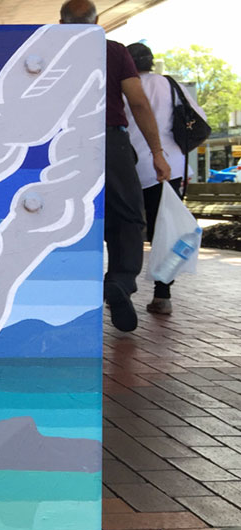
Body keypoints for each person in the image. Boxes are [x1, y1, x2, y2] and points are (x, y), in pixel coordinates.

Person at [60, 0, 170, 332]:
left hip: (64, 143)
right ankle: (120, 281)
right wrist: (157, 152)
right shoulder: (114, 51)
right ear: (98, 23)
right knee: (128, 216)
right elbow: (138, 102)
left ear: (61, 24)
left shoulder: (50, 50)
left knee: (69, 216)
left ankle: (70, 292)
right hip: (110, 141)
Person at [124, 42, 208, 315]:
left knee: (126, 228)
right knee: (164, 229)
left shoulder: (122, 86)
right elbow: (200, 119)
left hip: (127, 166)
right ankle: (163, 294)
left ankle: (123, 286)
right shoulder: (171, 85)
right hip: (169, 166)